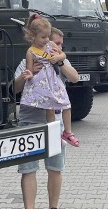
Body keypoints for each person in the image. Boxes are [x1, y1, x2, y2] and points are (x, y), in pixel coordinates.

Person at [14, 27, 79, 209]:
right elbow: (14, 89)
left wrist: (59, 61)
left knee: (55, 168)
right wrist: (25, 77)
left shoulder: (58, 59)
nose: (59, 47)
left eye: (61, 44)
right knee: (29, 169)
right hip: (30, 121)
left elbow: (75, 78)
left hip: (55, 122)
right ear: (43, 40)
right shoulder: (29, 58)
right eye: (55, 43)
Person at [21, 14, 79, 147]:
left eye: (47, 36)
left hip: (53, 82)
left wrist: (58, 59)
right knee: (49, 109)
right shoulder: (30, 52)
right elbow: (29, 69)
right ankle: (54, 134)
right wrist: (29, 75)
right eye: (43, 37)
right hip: (41, 83)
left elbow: (63, 55)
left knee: (66, 104)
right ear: (32, 36)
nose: (46, 40)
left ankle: (67, 132)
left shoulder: (50, 45)